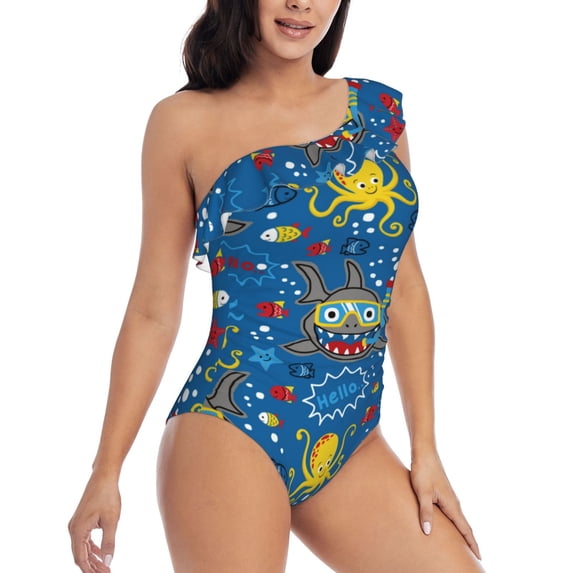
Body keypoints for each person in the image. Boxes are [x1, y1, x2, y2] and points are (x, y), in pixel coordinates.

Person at [68, 1, 486, 571]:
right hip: (230, 427)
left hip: (352, 439)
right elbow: (152, 312)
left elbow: (404, 289)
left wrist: (426, 450)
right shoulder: (183, 122)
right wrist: (106, 471)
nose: (301, 3)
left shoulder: (377, 113)